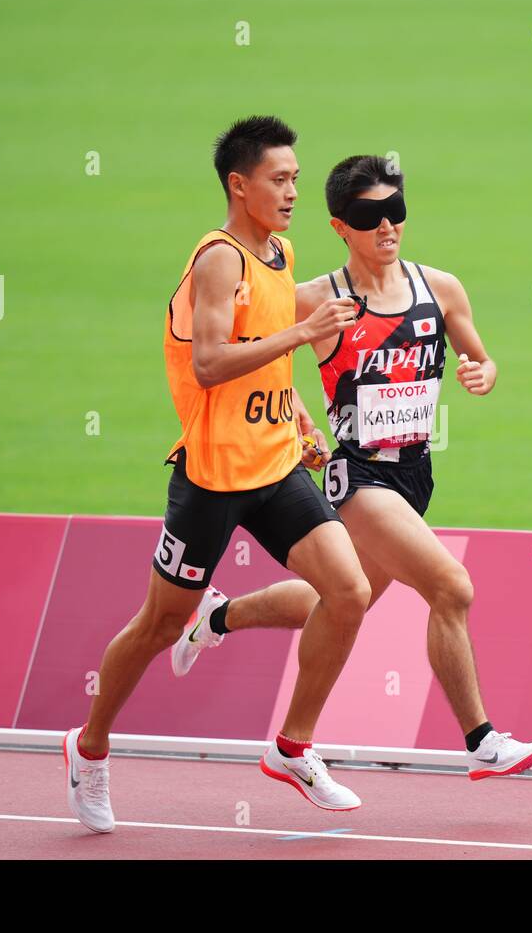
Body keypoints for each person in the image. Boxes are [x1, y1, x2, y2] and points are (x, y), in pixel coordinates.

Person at [172, 155, 532, 781]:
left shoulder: (441, 288)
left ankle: (216, 616)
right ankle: (482, 741)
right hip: (359, 478)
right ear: (340, 226)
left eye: (395, 211)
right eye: (370, 216)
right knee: (451, 588)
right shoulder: (317, 300)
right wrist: (295, 417)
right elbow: (254, 359)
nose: (387, 227)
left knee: (341, 601)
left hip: (416, 475)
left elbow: (480, 357)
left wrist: (482, 372)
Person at [63, 117, 374, 832]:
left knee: (349, 592)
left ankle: (293, 746)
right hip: (210, 477)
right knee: (155, 626)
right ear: (240, 185)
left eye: (296, 178)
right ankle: (89, 748)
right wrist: (303, 333)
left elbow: (263, 352)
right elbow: (209, 361)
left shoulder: (280, 251)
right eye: (280, 179)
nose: (293, 190)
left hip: (272, 463)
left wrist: (295, 411)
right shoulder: (218, 258)